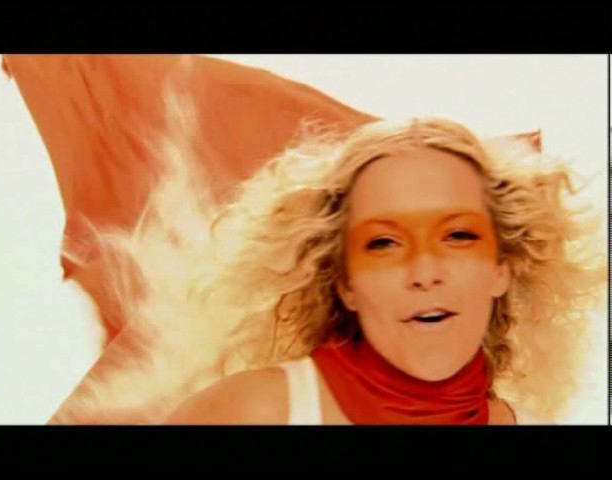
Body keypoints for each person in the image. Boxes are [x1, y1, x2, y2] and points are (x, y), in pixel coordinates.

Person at [151, 117, 604, 425]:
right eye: (384, 243)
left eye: (458, 236)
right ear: (345, 283)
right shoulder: (253, 412)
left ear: (501, 269)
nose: (425, 271)